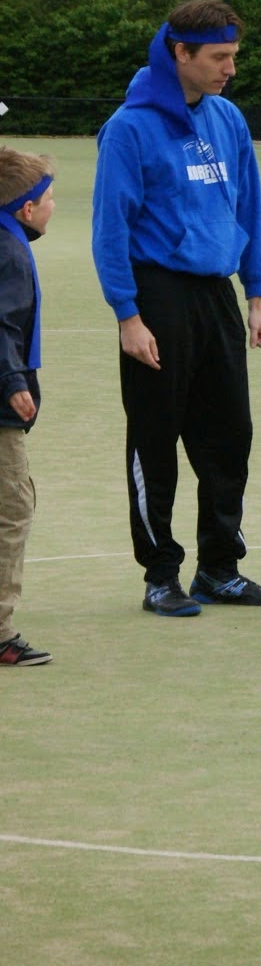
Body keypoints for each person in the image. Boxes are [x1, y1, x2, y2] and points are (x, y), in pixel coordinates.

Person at [91, 0, 261, 616]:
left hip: (216, 294)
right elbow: (110, 229)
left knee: (230, 435)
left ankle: (220, 569)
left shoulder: (229, 119)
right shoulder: (129, 127)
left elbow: (248, 209)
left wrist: (257, 295)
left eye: (233, 57)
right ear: (181, 53)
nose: (230, 69)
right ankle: (160, 574)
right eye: (219, 58)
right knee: (155, 438)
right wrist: (128, 315)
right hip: (156, 295)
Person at [0, 149, 56, 668]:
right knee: (13, 509)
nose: (53, 205)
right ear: (25, 209)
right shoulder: (12, 255)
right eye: (48, 198)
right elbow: (2, 325)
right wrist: (14, 381)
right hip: (1, 409)